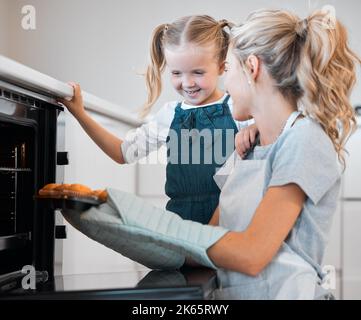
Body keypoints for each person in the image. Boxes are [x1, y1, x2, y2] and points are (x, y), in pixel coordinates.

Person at [204, 8, 360, 299]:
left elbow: (251, 254)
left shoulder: (305, 139)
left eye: (228, 70)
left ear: (252, 67)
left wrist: (168, 233)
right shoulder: (247, 147)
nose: (224, 86)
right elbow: (211, 234)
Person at [58, 15, 252, 225]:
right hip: (180, 223)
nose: (187, 83)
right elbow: (122, 153)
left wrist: (257, 126)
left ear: (222, 67)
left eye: (198, 72)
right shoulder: (169, 115)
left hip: (231, 222)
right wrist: (80, 113)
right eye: (176, 73)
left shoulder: (238, 108)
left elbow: (266, 149)